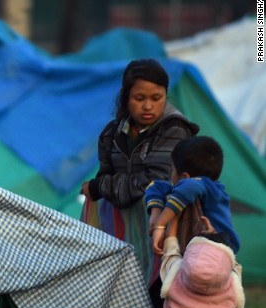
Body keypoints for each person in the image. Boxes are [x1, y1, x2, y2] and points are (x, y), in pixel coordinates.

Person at [80, 58, 200, 293]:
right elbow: (106, 174)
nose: (148, 106)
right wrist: (102, 186)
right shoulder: (111, 135)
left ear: (166, 95)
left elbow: (153, 182)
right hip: (124, 237)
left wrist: (98, 187)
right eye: (139, 98)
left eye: (156, 98)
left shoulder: (174, 130)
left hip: (164, 233)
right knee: (120, 296)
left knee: (161, 296)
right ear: (126, 97)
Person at [146, 136, 240, 256]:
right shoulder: (199, 185)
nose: (171, 174)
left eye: (173, 170)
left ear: (184, 177)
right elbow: (156, 186)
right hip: (193, 250)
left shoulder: (204, 187)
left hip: (220, 250)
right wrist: (156, 214)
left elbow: (190, 186)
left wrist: (160, 225)